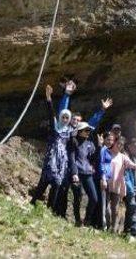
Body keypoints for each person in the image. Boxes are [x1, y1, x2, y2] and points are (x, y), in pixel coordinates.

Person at [30, 85, 73, 217]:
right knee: (44, 182)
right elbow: (51, 113)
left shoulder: (70, 132)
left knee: (56, 185)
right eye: (63, 117)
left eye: (67, 118)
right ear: (60, 117)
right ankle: (32, 203)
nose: (65, 119)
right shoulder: (55, 127)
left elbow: (87, 130)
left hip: (61, 163)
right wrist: (48, 98)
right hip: (51, 160)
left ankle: (49, 210)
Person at [101, 135, 136, 233]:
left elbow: (131, 164)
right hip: (106, 183)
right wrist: (103, 179)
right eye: (118, 143)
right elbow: (102, 166)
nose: (119, 146)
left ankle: (113, 230)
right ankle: (105, 226)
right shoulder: (106, 153)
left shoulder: (123, 157)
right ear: (114, 143)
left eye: (121, 145)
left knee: (115, 209)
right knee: (106, 208)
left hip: (116, 185)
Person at [68, 121, 99, 227]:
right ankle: (77, 220)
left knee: (94, 198)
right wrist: (74, 173)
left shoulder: (90, 143)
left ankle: (86, 220)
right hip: (77, 173)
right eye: (86, 130)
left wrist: (99, 146)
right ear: (80, 131)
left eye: (89, 130)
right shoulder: (74, 141)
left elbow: (93, 158)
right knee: (78, 197)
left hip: (88, 173)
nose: (88, 132)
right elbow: (72, 159)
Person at [123, 137, 136, 239]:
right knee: (133, 209)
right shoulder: (127, 157)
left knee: (130, 210)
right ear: (129, 147)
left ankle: (126, 230)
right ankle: (134, 232)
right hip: (129, 189)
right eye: (135, 146)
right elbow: (125, 174)